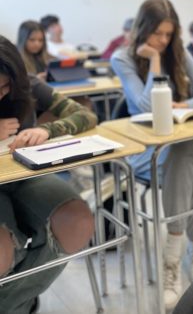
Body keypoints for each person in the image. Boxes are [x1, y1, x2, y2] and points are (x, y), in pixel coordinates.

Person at [111, 0, 193, 310]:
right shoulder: (123, 58)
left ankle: (177, 258)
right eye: (157, 33)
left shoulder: (180, 53)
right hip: (146, 151)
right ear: (142, 29)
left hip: (183, 146)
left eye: (168, 35)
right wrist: (156, 63)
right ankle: (189, 254)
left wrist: (184, 106)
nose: (163, 40)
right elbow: (146, 107)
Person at [0, 36, 97, 313]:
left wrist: (47, 130)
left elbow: (84, 114)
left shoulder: (27, 83)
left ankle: (13, 303)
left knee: (77, 221)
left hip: (26, 174)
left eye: (6, 86)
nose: (2, 94)